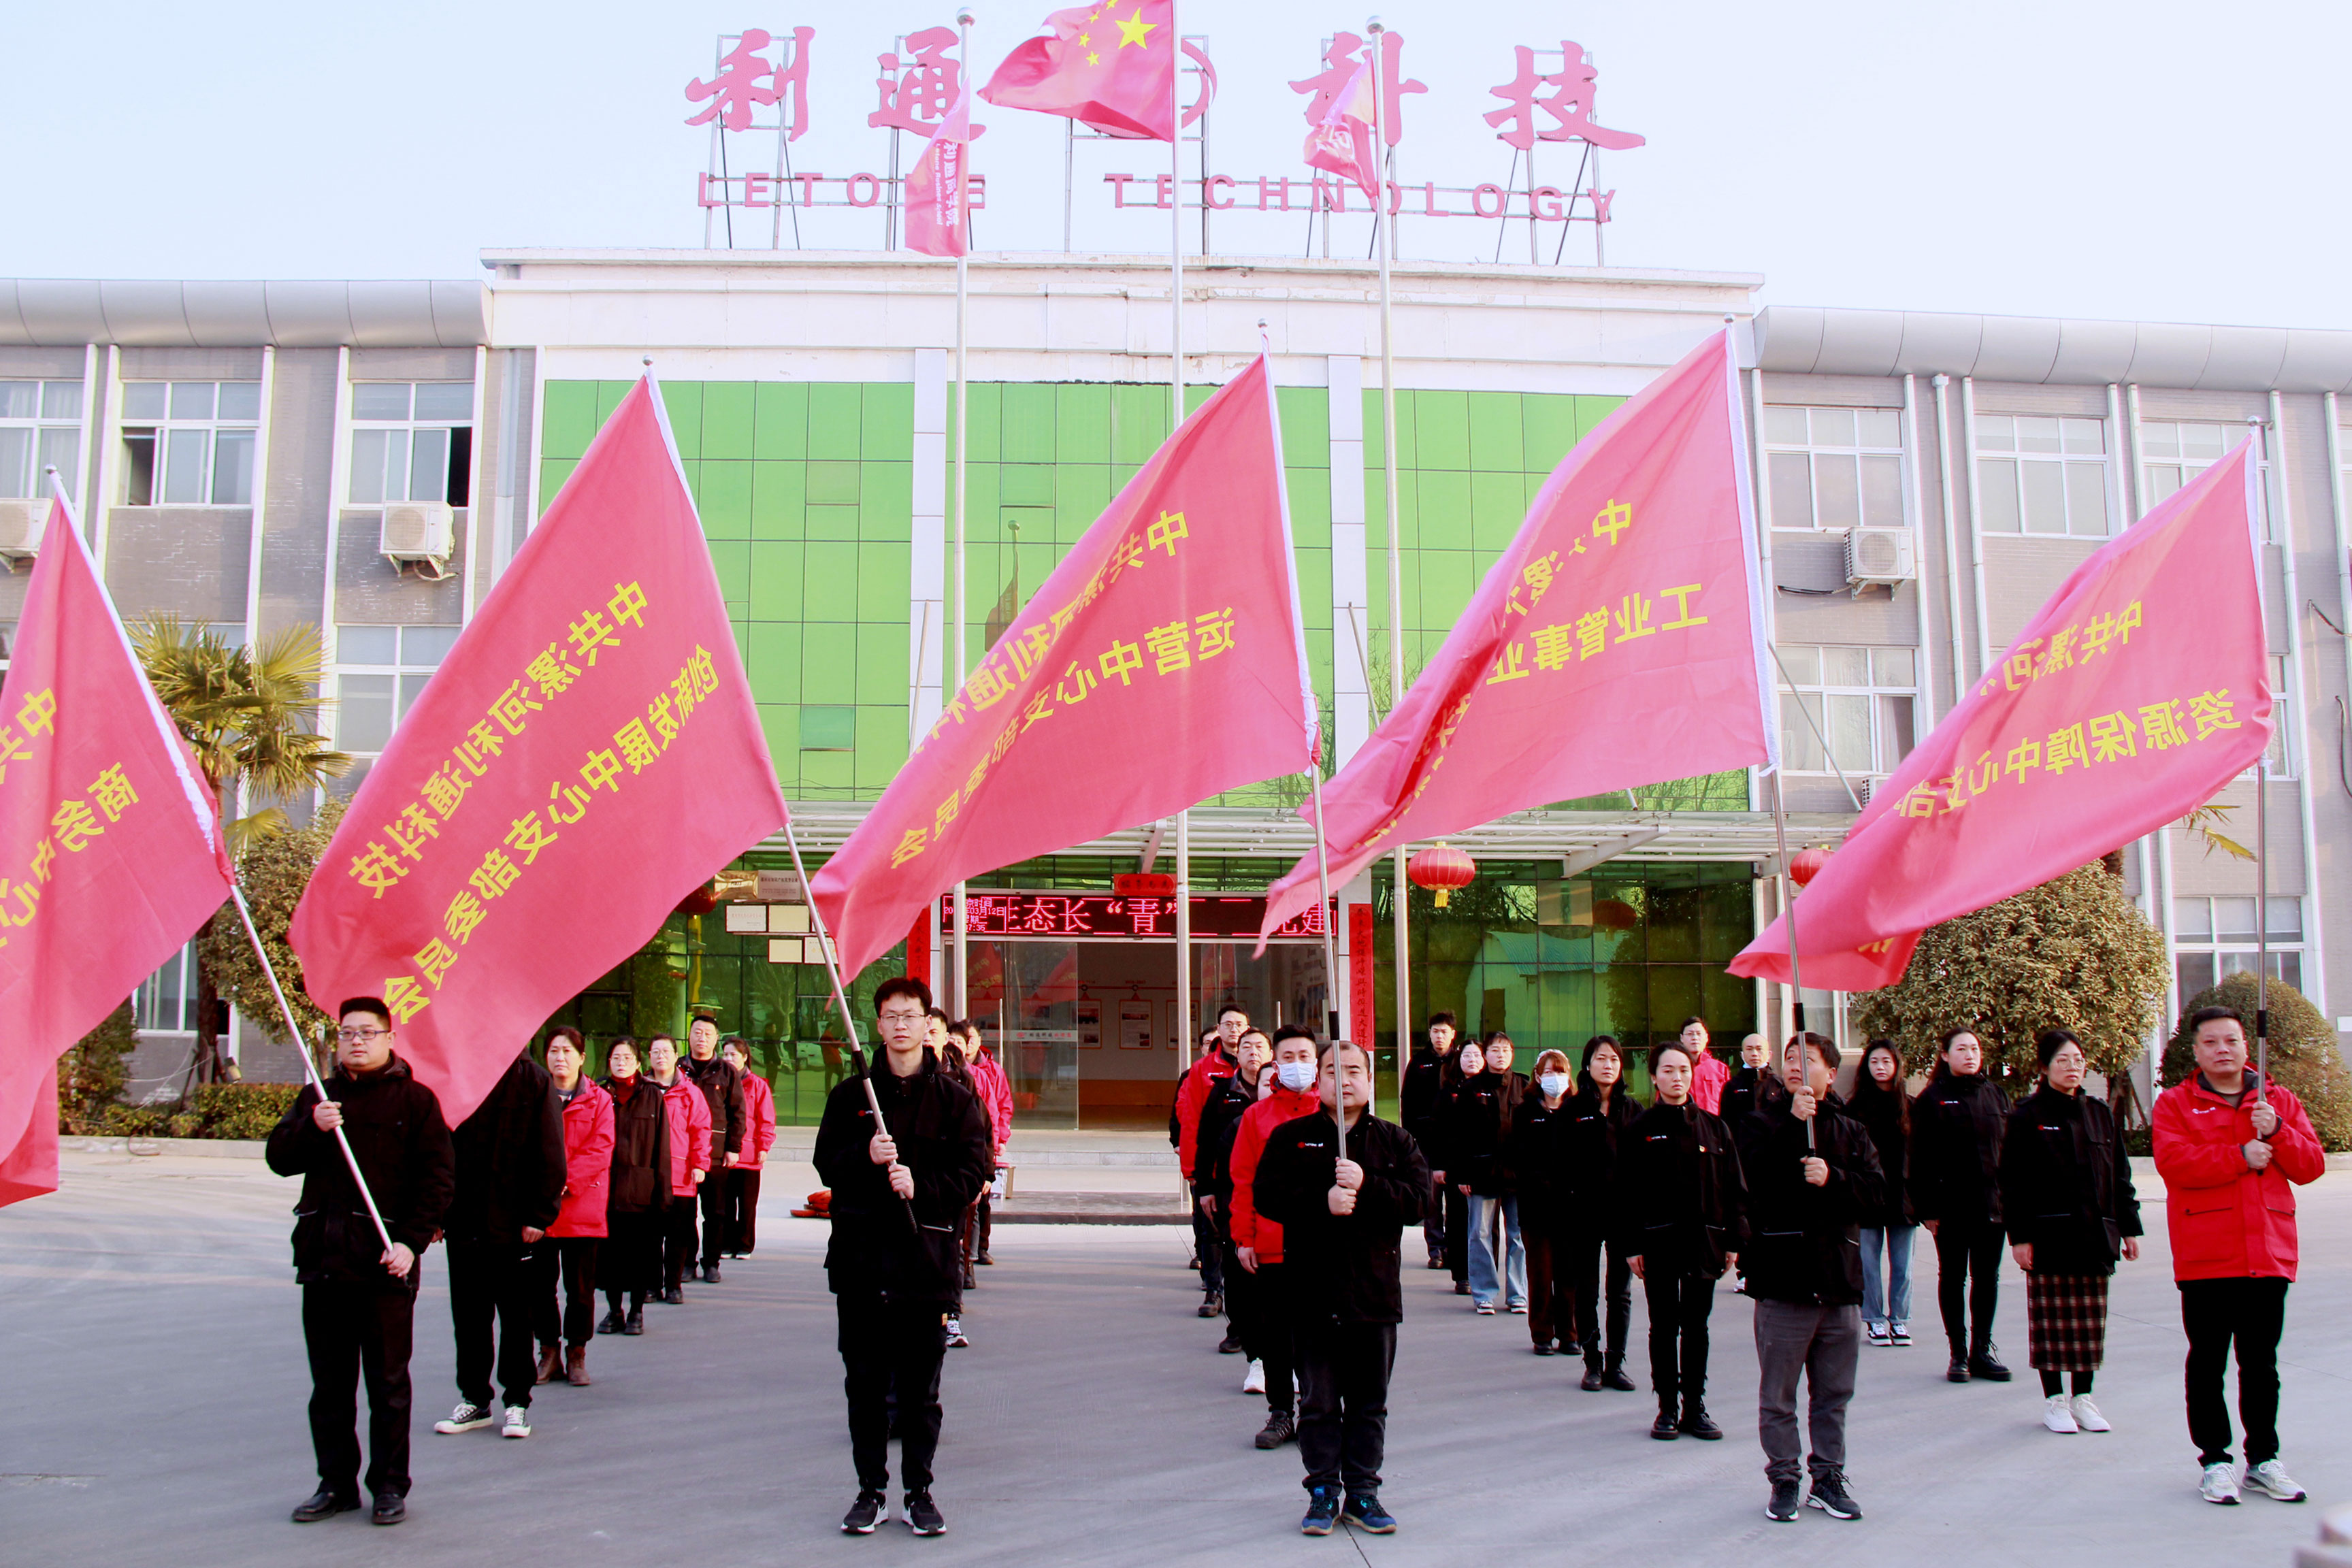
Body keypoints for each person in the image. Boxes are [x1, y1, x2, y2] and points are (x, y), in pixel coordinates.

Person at [266, 998, 455, 1528]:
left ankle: (390, 1486)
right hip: (325, 1262)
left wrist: (411, 1243)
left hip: (384, 1266)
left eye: (368, 1033)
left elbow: (438, 1180)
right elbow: (279, 1159)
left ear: (390, 1039)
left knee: (388, 1386)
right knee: (329, 1386)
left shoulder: (416, 1101)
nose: (356, 1042)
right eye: (347, 1033)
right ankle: (336, 1484)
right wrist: (312, 1127)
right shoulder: (318, 1098)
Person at [815, 977, 992, 1537]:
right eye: (889, 1016)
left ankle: (919, 1491)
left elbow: (974, 1173)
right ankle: (869, 1490)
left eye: (909, 1016)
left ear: (926, 1023)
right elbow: (825, 1164)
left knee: (921, 1392)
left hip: (925, 1264)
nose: (899, 1026)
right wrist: (864, 1155)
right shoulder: (851, 1097)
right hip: (862, 1263)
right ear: (878, 1024)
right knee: (863, 1386)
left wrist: (923, 1186)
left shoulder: (957, 1100)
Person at [2153, 1004, 2325, 1506]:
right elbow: (2174, 1162)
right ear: (2196, 1051)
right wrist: (2238, 1156)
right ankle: (2215, 1460)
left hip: (2267, 1253)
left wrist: (2276, 1132)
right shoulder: (2176, 1105)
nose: (2222, 1050)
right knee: (2207, 1363)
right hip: (2207, 1255)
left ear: (2247, 1046)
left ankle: (2264, 1458)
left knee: (2261, 1363)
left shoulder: (2277, 1101)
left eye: (2230, 1040)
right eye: (2210, 1042)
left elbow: (2311, 1165)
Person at [1255, 1041, 1428, 1536]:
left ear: (1370, 1082)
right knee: (1318, 1402)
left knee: (1369, 1403)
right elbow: (1267, 1194)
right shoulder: (1293, 1138)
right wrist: (1321, 1200)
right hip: (1312, 1294)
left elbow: (1420, 1203)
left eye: (1354, 1071)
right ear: (1319, 1081)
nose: (1344, 1080)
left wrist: (1368, 1185)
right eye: (1332, 1071)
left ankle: (1364, 1493)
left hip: (1374, 1297)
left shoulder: (1397, 1142)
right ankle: (1322, 1490)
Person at [1739, 1032, 1883, 1524]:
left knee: (1834, 1394)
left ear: (1830, 1072)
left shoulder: (1851, 1131)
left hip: (1839, 1282)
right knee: (1778, 1394)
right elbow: (1752, 1183)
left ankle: (1828, 1476)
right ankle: (1784, 1477)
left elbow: (1878, 1196)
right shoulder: (1761, 1124)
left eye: (1810, 1060)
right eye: (1790, 1059)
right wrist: (1792, 1127)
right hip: (1783, 1280)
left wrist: (1835, 1178)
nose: (1797, 1066)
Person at [1999, 1028, 2141, 1437]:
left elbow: (2120, 1177)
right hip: (2049, 1235)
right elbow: (2013, 1181)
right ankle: (2054, 1400)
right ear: (2044, 1068)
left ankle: (2084, 1397)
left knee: (2088, 1323)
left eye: (2078, 1059)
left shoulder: (2098, 1113)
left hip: (2095, 1235)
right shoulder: (2027, 1115)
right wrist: (2020, 1236)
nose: (2072, 1066)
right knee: (2052, 1323)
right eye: (2063, 1060)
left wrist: (2129, 1228)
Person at [1617, 1038, 1744, 1441]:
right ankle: (1667, 1408)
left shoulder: (1715, 1126)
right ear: (1654, 1077)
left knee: (1697, 1327)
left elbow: (1734, 1189)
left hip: (1704, 1241)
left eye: (1684, 1070)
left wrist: (1733, 1241)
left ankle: (1696, 1406)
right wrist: (1631, 1245)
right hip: (1658, 1242)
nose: (1677, 1077)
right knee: (1663, 1325)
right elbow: (1626, 1192)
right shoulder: (1641, 1129)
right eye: (1668, 1070)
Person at [435, 1043, 563, 1441]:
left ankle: (517, 1402)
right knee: (469, 1317)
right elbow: (439, 1151)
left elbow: (550, 1153)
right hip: (464, 1222)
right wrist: (437, 1213)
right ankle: (474, 1398)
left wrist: (540, 1215)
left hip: (515, 1225)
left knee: (516, 1317)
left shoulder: (533, 1080)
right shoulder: (459, 1081)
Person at [1227, 1025, 1325, 1450]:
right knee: (1276, 1333)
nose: (1298, 1066)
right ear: (1276, 1064)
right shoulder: (1257, 1117)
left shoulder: (1333, 1112)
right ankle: (1281, 1412)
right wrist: (1244, 1238)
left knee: (1319, 1332)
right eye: (1289, 1058)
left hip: (1324, 1246)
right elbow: (1242, 1181)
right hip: (1271, 1244)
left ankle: (1318, 1412)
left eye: (1305, 1057)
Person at [1910, 1028, 2012, 1384]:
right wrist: (1927, 1209)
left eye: (1975, 1048)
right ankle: (1958, 1353)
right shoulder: (1932, 1099)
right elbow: (1919, 1158)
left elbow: (2011, 1154)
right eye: (1962, 1049)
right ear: (1945, 1054)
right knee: (1953, 1278)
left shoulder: (1996, 1095)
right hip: (1950, 1207)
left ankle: (1982, 1350)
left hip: (1992, 1206)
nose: (1970, 1055)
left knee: (1988, 1278)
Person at [532, 1027, 614, 1388]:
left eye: (567, 1051)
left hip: (582, 1208)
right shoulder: (534, 1096)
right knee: (539, 1287)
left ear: (582, 1057)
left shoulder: (599, 1100)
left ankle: (577, 1352)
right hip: (541, 1210)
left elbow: (601, 1147)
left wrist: (563, 1180)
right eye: (553, 1051)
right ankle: (548, 1351)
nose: (559, 1057)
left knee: (580, 1289)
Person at [1563, 1036, 1641, 1391]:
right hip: (1584, 1211)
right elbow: (1557, 1162)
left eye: (1614, 1059)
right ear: (1588, 1065)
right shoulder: (1573, 1110)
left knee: (1620, 1292)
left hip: (1624, 1213)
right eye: (1600, 1058)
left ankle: (1616, 1362)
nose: (1607, 1065)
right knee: (1586, 1289)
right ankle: (1592, 1361)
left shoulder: (1635, 1111)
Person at [1199, 1028, 1275, 1362]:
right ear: (1237, 1052)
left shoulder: (1282, 1095)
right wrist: (1205, 1188)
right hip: (1233, 1193)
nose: (1253, 1052)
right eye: (1247, 1047)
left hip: (1274, 1199)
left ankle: (1269, 1333)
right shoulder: (1222, 1093)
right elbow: (1206, 1144)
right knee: (1236, 1262)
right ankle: (1238, 1330)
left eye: (1260, 1046)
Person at [1445, 1032, 1526, 1315]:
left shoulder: (1524, 1087)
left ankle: (1517, 1294)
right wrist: (1461, 1174)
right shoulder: (1470, 1089)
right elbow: (1458, 1136)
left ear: (1512, 1054)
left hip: (1517, 1175)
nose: (1500, 1055)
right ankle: (1484, 1293)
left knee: (1517, 1235)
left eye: (1506, 1049)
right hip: (1481, 1172)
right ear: (1486, 1055)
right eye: (1494, 1050)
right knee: (1478, 1234)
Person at [1506, 1049, 1578, 1356]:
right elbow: (1517, 1157)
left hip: (1570, 1207)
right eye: (1548, 1072)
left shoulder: (1576, 1110)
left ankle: (1569, 1333)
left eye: (1559, 1072)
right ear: (1537, 1076)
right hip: (1536, 1207)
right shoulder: (1524, 1113)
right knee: (1541, 1272)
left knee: (1568, 1274)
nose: (1554, 1078)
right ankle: (1542, 1334)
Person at [1177, 1007, 1246, 1317]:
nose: (1234, 1030)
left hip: (1250, 1169)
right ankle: (1214, 1291)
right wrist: (1193, 1171)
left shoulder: (1260, 1071)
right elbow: (1190, 1121)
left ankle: (1242, 1295)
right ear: (1218, 1029)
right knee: (1212, 1231)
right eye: (1228, 1025)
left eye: (1239, 1025)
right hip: (1216, 1167)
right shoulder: (1202, 1070)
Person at [596, 1038, 668, 1336]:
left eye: (627, 1057)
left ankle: (637, 1312)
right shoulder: (599, 1094)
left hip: (642, 1191)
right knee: (610, 1257)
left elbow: (662, 1148)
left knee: (640, 1255)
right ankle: (614, 1311)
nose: (621, 1062)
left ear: (639, 1063)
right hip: (606, 1191)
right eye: (615, 1057)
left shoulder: (652, 1096)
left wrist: (664, 1195)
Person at [1848, 1039, 1916, 1348]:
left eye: (1887, 1061)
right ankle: (1874, 1319)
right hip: (1867, 1193)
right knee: (1868, 1261)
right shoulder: (1855, 1107)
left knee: (1903, 1264)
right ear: (1866, 1067)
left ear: (1897, 1066)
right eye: (1875, 1062)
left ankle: (1899, 1320)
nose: (1881, 1068)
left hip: (1903, 1195)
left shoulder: (1910, 1105)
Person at [681, 1013, 748, 1284]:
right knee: (684, 1212)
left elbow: (738, 1112)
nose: (702, 1038)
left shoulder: (726, 1071)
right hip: (682, 1154)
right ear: (690, 1036)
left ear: (716, 1039)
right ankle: (687, 1262)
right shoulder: (679, 1069)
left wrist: (734, 1147)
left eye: (708, 1033)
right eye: (697, 1032)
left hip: (716, 1153)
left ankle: (711, 1263)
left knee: (716, 1212)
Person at [647, 1035, 713, 1303]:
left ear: (677, 1056)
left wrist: (700, 1164)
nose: (661, 1056)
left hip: (681, 1175)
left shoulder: (690, 1092)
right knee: (650, 1237)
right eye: (655, 1051)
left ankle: (673, 1284)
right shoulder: (641, 1089)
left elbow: (700, 1130)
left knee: (678, 1235)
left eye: (666, 1051)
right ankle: (651, 1285)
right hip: (648, 1176)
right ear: (648, 1057)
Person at [1399, 1011, 1459, 1269]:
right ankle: (1436, 1248)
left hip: (1456, 1142)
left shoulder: (1460, 1061)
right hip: (1425, 1141)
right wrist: (1411, 1136)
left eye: (1444, 1032)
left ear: (1453, 1034)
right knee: (1432, 1198)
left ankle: (1456, 1250)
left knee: (1456, 1198)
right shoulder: (1419, 1062)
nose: (1439, 1037)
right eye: (1435, 1032)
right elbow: (1407, 1101)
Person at [1429, 1031, 1485, 1296]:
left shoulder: (1491, 1090)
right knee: (1458, 1219)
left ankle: (1484, 1273)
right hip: (1454, 1165)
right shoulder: (1448, 1093)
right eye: (1467, 1055)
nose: (1472, 1060)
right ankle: (1462, 1275)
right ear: (1458, 1060)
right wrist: (1438, 1165)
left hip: (1486, 1167)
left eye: (1477, 1055)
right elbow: (1438, 1132)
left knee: (1486, 1226)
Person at [960, 1021, 1013, 1268]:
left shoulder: (991, 1071)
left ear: (980, 1041)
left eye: (972, 1039)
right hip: (967, 1142)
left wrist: (1000, 1138)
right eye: (963, 1039)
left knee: (983, 1199)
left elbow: (1002, 1106)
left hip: (986, 1142)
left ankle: (981, 1247)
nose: (968, 1044)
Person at [719, 1036, 776, 1258]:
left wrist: (764, 1146)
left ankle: (744, 1245)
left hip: (750, 1155)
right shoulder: (718, 1083)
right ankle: (726, 1243)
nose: (729, 1059)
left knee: (747, 1204)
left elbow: (766, 1119)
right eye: (725, 1054)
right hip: (723, 1154)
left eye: (733, 1054)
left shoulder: (758, 1085)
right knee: (725, 1204)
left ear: (745, 1057)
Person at [1722, 1033, 1781, 1124]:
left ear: (1769, 1054)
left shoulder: (1779, 1085)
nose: (1754, 1054)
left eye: (1759, 1049)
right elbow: (1725, 1121)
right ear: (1742, 1055)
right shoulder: (1732, 1086)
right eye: (1749, 1049)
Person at [1680, 1016, 1731, 1115]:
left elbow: (1729, 1104)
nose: (1695, 1038)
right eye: (1690, 1034)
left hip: (1713, 1126)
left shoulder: (1720, 1069)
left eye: (1699, 1034)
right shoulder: (1674, 1068)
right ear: (1682, 1038)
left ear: (1707, 1038)